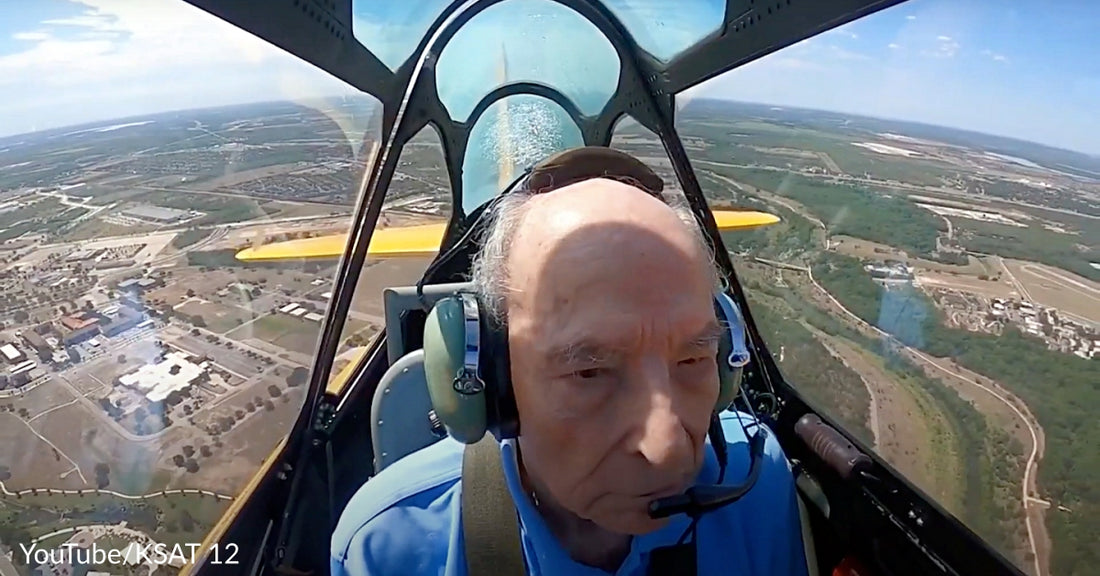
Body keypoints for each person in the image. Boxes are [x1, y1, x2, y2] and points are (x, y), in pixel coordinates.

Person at [331, 148, 807, 576]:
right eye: (590, 372)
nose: (667, 451)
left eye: (693, 358)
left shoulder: (759, 481)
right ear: (494, 380)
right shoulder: (386, 547)